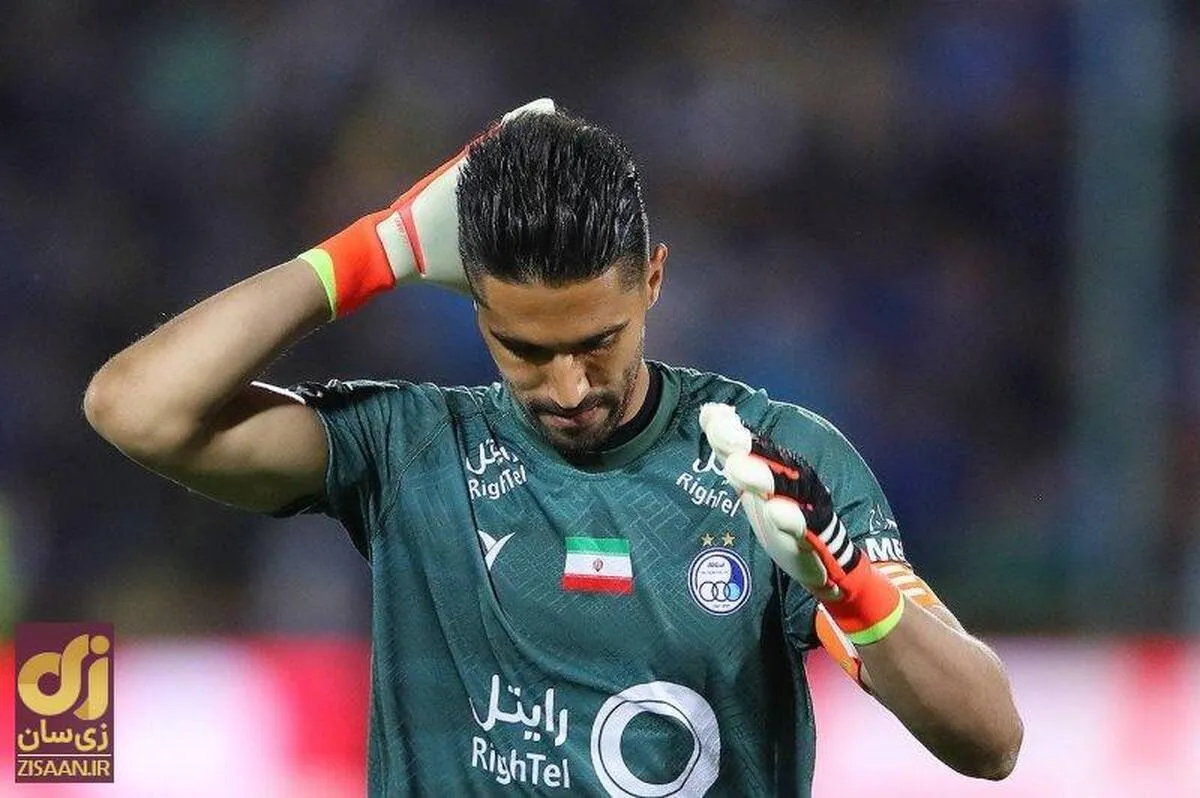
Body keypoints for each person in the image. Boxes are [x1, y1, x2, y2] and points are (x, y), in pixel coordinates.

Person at [84, 99, 1022, 796]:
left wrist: (848, 584)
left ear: (653, 281)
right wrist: (378, 250)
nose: (569, 388)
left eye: (597, 342)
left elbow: (991, 740)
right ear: (475, 309)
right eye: (525, 350)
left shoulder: (772, 463)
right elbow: (136, 408)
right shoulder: (410, 450)